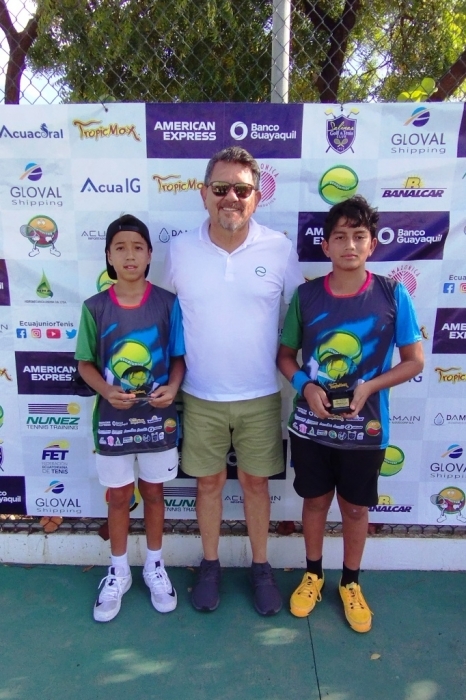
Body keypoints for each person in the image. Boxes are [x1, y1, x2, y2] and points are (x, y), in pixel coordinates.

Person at [162, 146, 304, 616]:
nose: (231, 198)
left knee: (256, 486)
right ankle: (210, 565)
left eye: (242, 190)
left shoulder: (279, 248)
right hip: (199, 395)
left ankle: (261, 568)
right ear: (204, 194)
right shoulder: (179, 250)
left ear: (256, 197)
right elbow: (161, 316)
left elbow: (302, 316)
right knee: (206, 485)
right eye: (221, 188)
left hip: (261, 394)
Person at [277, 195, 424, 633]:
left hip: (367, 429)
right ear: (325, 246)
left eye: (359, 236)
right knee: (315, 502)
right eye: (340, 237)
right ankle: (313, 575)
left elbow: (414, 361)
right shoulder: (306, 296)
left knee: (356, 510)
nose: (350, 245)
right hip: (311, 428)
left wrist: (369, 387)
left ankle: (351, 582)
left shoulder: (393, 294)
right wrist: (305, 386)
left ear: (372, 244)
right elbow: (285, 356)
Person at [75, 214, 185, 622]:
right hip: (112, 423)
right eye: (120, 248)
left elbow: (178, 359)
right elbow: (85, 363)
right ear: (108, 256)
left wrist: (172, 387)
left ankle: (154, 565)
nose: (130, 255)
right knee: (119, 496)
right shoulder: (95, 307)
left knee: (154, 493)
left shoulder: (167, 304)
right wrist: (107, 392)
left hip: (158, 421)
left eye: (138, 247)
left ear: (150, 254)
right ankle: (118, 570)